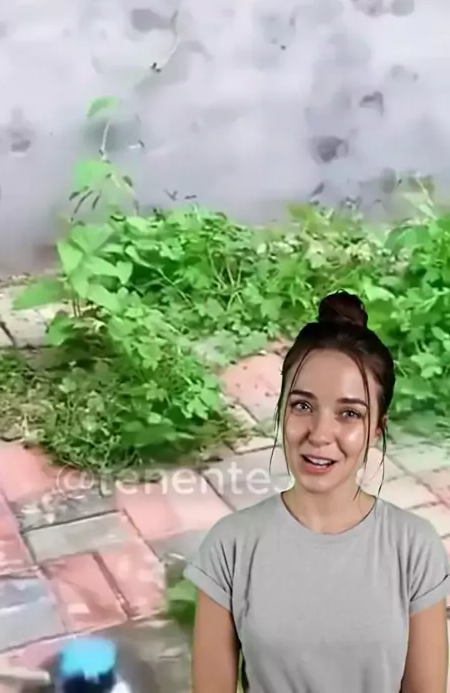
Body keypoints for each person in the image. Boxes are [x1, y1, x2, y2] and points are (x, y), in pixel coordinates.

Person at [184, 291, 450, 693]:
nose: (321, 434)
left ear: (376, 430)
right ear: (281, 411)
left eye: (350, 413)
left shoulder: (414, 549)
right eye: (303, 406)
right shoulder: (231, 547)